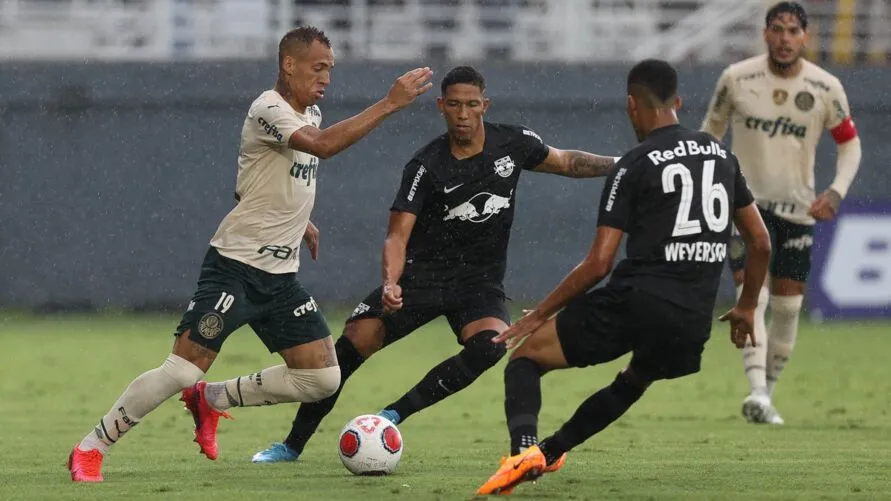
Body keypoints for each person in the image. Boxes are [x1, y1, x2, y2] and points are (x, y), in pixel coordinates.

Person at [67, 26, 433, 482]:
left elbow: (253, 181)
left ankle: (212, 399)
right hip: (235, 270)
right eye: (318, 68)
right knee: (181, 370)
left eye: (330, 70)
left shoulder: (310, 111)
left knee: (321, 379)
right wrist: (390, 102)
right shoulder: (269, 108)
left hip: (280, 277)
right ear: (289, 64)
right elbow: (322, 147)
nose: (326, 79)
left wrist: (301, 222)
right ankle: (90, 448)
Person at [250, 65, 619, 464]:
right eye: (455, 105)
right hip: (420, 280)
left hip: (479, 285)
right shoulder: (426, 166)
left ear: (485, 105)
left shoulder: (514, 143)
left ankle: (391, 416)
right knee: (351, 347)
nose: (463, 114)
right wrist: (391, 282)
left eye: (472, 105)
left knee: (491, 347)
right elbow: (396, 236)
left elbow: (567, 162)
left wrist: (622, 164)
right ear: (442, 107)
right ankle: (291, 445)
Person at [476, 58, 772, 495]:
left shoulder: (635, 163)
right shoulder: (721, 157)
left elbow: (599, 263)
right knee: (635, 379)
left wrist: (540, 313)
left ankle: (524, 450)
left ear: (632, 105)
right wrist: (746, 306)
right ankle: (550, 452)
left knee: (525, 358)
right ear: (679, 102)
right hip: (692, 317)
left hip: (639, 299)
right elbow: (760, 241)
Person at [701, 1, 862, 424]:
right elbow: (709, 137)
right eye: (777, 29)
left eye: (793, 31)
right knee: (751, 296)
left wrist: (836, 190)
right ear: (766, 33)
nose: (785, 39)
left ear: (805, 37)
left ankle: (766, 395)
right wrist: (711, 189)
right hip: (744, 208)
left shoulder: (826, 87)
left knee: (789, 309)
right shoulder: (736, 79)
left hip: (797, 210)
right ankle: (756, 389)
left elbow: (850, 144)